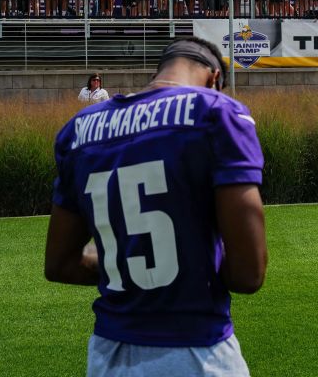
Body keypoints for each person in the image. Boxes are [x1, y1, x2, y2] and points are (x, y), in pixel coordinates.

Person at [45, 37, 266, 375]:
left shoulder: (79, 129)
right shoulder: (216, 112)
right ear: (213, 79)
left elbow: (59, 264)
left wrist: (131, 263)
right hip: (195, 353)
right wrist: (183, 269)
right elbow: (249, 274)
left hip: (108, 356)